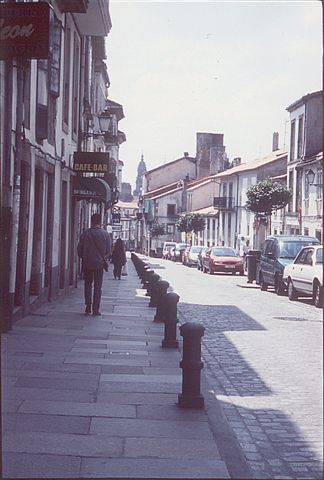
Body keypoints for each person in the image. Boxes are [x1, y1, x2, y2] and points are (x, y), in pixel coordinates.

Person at [77, 213, 111, 316]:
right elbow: (108, 251)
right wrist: (103, 258)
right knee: (97, 287)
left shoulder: (86, 233)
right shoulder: (105, 234)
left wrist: (85, 257)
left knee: (88, 285)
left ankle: (88, 306)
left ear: (91, 221)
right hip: (99, 264)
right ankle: (96, 309)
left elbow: (79, 249)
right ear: (100, 222)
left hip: (87, 264)